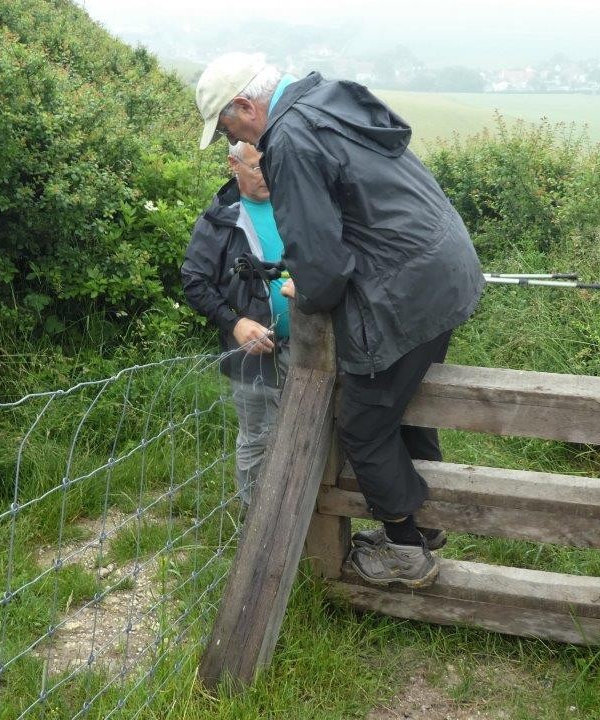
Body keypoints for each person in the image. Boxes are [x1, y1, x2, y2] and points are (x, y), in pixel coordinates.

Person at [194, 53, 484, 588]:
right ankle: (425, 526)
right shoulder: (328, 99)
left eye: (229, 129)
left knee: (362, 423)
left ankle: (406, 550)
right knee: (401, 402)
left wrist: (307, 291)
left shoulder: (291, 139)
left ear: (244, 106)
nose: (237, 143)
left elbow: (321, 266)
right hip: (444, 267)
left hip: (405, 288)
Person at [181, 140, 291, 508]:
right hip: (251, 354)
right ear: (233, 164)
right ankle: (256, 524)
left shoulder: (296, 204)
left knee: (306, 431)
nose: (267, 175)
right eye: (258, 166)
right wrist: (234, 322)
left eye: (272, 164)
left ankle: (300, 519)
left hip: (309, 345)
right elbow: (194, 281)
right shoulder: (220, 218)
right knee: (258, 436)